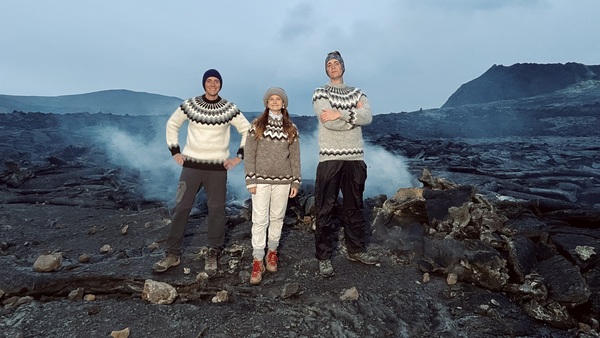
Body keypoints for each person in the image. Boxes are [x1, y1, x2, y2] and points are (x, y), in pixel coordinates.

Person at [153, 68, 251, 275]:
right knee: (181, 208)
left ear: (220, 84)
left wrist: (238, 157)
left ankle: (213, 251)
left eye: (216, 81)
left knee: (216, 210)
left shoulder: (229, 108)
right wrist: (175, 151)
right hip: (191, 167)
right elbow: (172, 124)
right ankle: (172, 254)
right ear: (204, 84)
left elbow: (247, 130)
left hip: (217, 169)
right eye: (209, 81)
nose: (213, 84)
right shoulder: (190, 105)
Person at [312, 51, 378, 278]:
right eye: (329, 64)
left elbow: (368, 116)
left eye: (336, 63)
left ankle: (356, 250)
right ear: (326, 69)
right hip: (330, 157)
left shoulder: (357, 92)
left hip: (355, 158)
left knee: (354, 205)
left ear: (343, 67)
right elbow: (327, 122)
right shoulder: (320, 92)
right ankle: (323, 257)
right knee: (325, 207)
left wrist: (339, 114)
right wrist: (353, 117)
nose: (333, 67)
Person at [244, 87, 301, 285]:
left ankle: (272, 252)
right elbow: (249, 154)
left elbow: (295, 157)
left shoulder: (291, 128)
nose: (275, 101)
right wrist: (250, 179)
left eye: (278, 99)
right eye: (271, 99)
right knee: (260, 220)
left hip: (283, 181)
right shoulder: (256, 125)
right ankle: (258, 260)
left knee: (277, 217)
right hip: (260, 181)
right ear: (266, 103)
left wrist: (296, 180)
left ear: (284, 103)